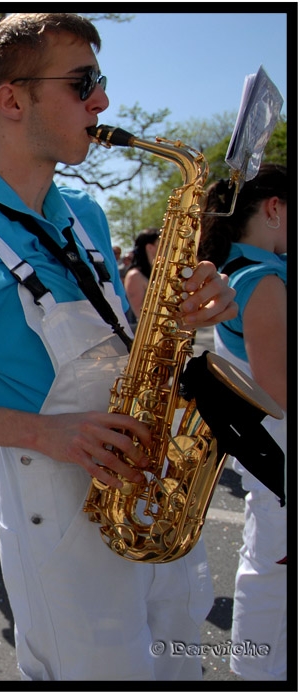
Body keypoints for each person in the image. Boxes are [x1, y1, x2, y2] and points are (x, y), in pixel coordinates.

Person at [0, 13, 237, 680]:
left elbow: (122, 342)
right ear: (13, 99)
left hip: (147, 490)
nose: (103, 102)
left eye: (101, 82)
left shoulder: (87, 215)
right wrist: (43, 433)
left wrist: (186, 308)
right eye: (83, 82)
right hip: (60, 520)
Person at [198, 164, 287, 681]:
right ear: (275, 209)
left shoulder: (241, 271)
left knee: (267, 567)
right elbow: (281, 388)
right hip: (280, 449)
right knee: (274, 576)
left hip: (266, 449)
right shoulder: (265, 279)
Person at [123, 228, 160, 326]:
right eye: (160, 243)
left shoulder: (153, 272)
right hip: (144, 335)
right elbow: (140, 313)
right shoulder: (134, 276)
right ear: (149, 247)